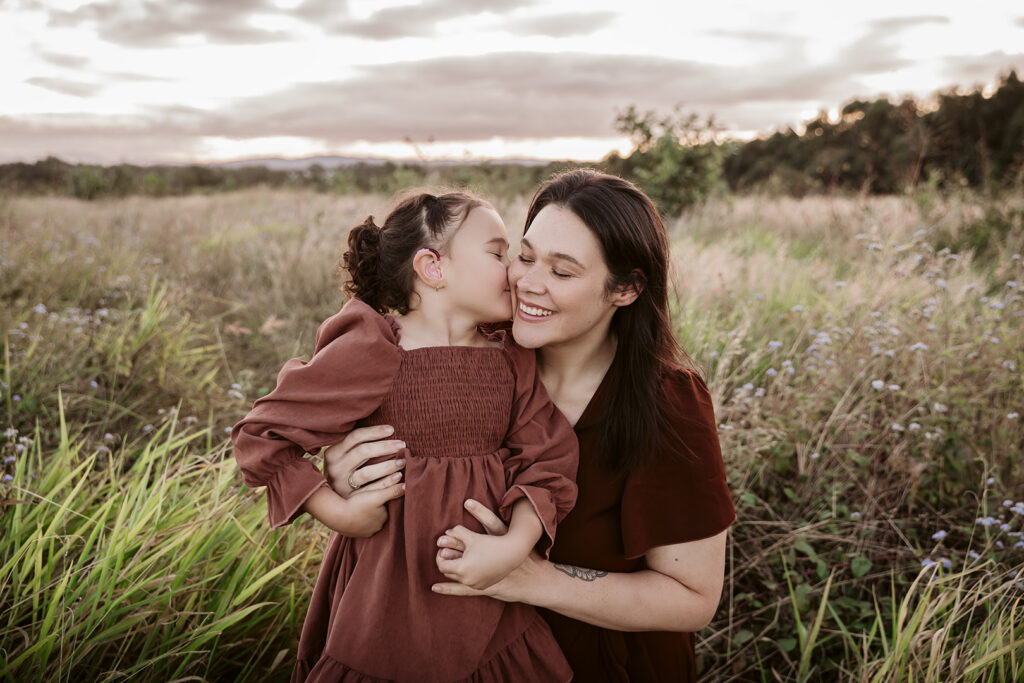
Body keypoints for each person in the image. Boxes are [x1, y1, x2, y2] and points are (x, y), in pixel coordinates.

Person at [324, 170, 735, 682]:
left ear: (625, 290)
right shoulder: (470, 356)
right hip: (446, 655)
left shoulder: (669, 402)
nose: (527, 283)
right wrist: (347, 476)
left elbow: (692, 599)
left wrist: (531, 579)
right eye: (524, 255)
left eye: (562, 272)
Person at [231, 191, 579, 682]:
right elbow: (262, 435)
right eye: (498, 253)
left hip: (486, 589)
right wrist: (340, 512)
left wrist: (514, 545)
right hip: (387, 589)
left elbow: (548, 457)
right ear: (432, 267)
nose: (515, 271)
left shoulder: (510, 357)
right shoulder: (374, 347)